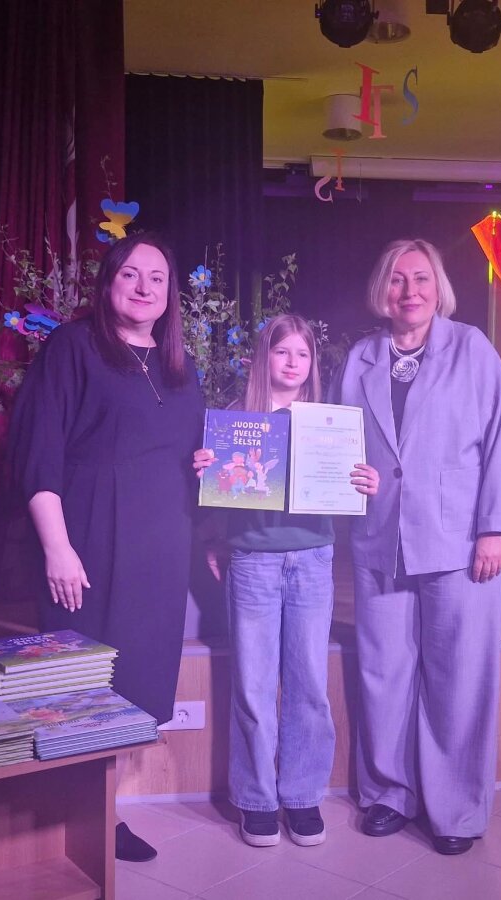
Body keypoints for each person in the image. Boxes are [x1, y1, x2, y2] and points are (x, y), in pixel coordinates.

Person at [9, 232, 205, 862]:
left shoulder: (182, 367)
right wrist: (57, 548)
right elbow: (38, 450)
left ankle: (102, 813)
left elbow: (192, 457)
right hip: (88, 539)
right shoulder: (73, 347)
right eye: (130, 275)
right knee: (81, 683)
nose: (145, 287)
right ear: (108, 283)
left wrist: (208, 468)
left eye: (157, 277)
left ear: (170, 294)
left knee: (138, 683)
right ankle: (59, 819)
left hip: (161, 550)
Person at [336, 238, 501, 856]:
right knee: (382, 673)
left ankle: (455, 810)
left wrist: (496, 527)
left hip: (460, 541)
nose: (409, 291)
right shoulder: (361, 358)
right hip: (379, 539)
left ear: (437, 287)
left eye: (420, 278)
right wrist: (348, 476)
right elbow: (339, 444)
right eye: (397, 279)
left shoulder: (472, 348)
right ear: (382, 290)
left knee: (459, 677)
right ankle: (390, 795)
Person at [193, 314, 379, 848]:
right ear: (263, 357)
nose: (293, 362)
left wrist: (365, 480)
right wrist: (205, 472)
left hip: (313, 559)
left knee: (309, 685)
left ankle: (301, 796)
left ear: (312, 363)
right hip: (253, 561)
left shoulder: (330, 423)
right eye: (282, 352)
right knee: (253, 686)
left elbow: (350, 484)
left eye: (302, 353)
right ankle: (256, 800)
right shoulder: (236, 418)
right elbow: (219, 496)